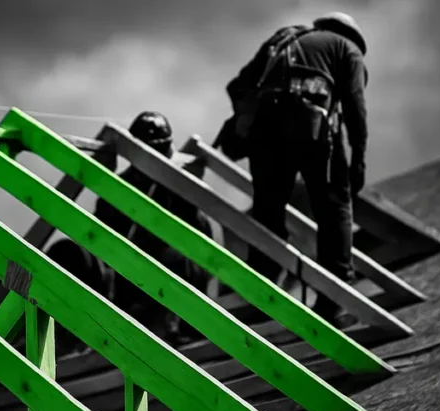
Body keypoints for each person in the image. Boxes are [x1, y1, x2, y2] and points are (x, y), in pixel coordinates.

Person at [220, 12, 368, 328]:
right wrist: (359, 160)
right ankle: (335, 300)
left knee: (268, 213)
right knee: (334, 209)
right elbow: (355, 107)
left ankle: (264, 294)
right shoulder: (346, 49)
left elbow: (238, 85)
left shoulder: (283, 39)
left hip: (265, 132)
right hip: (312, 130)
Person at [47, 111, 214, 348]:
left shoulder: (181, 186)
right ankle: (69, 333)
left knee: (177, 258)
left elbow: (201, 245)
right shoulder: (118, 189)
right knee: (68, 254)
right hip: (126, 281)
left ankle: (176, 327)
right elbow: (99, 238)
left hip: (166, 277)